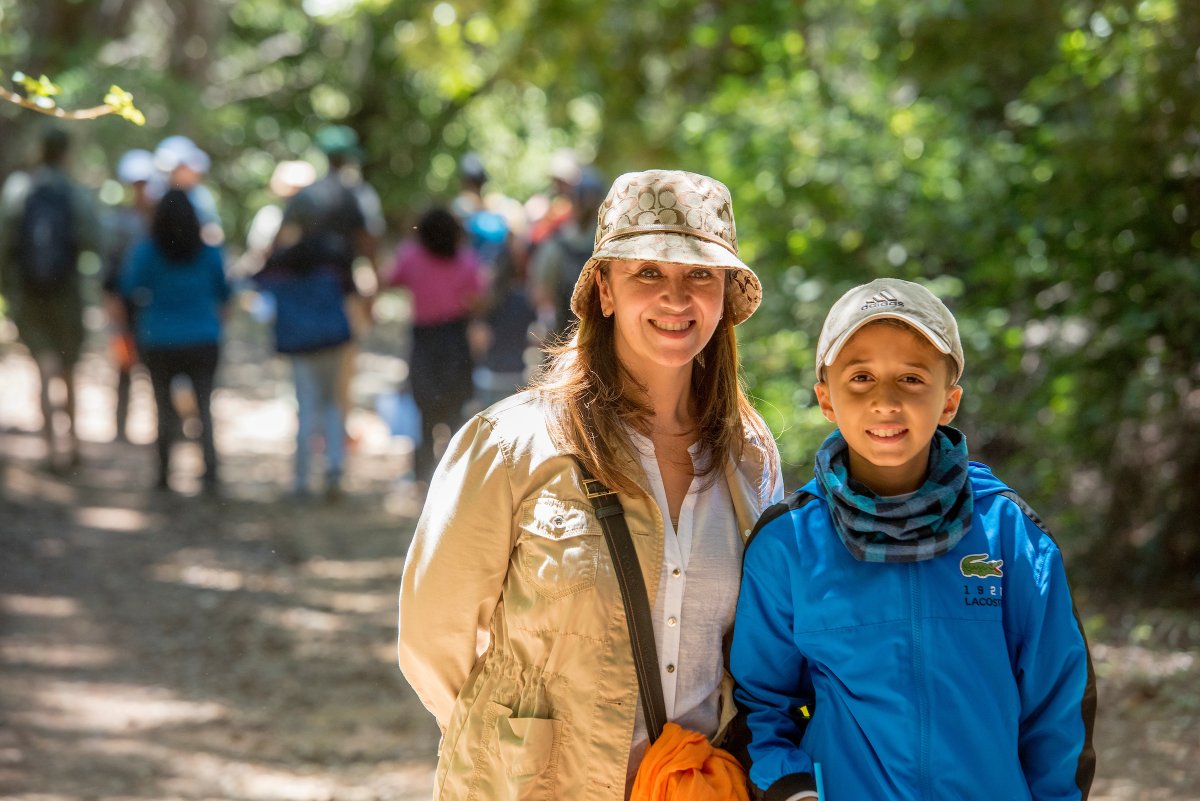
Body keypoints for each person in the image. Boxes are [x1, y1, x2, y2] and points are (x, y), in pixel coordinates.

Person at [398, 170, 782, 800]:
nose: (675, 298)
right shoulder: (512, 445)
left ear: (724, 294)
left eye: (699, 276)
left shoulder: (749, 456)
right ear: (604, 289)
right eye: (648, 274)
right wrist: (517, 744)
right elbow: (431, 640)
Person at [730, 278, 1096, 800]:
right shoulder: (789, 544)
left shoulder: (1008, 534)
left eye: (911, 378)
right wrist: (791, 789)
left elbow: (1057, 701)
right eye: (860, 377)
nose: (885, 401)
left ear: (948, 402)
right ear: (825, 399)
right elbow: (761, 704)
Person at [0, 126, 99, 470]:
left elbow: (4, 242)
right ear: (67, 152)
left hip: (28, 292)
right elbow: (93, 240)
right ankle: (71, 447)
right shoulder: (75, 192)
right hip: (66, 290)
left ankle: (47, 448)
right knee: (69, 369)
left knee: (43, 368)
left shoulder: (18, 188)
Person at [119, 189, 230, 494]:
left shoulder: (147, 251)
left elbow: (129, 288)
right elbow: (225, 293)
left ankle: (164, 475)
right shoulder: (209, 252)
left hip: (159, 340)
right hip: (203, 338)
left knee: (164, 408)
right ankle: (210, 474)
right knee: (203, 407)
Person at [383, 206, 485, 481]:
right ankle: (455, 473)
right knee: (455, 406)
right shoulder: (466, 260)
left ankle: (423, 473)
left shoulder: (412, 256)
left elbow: (389, 279)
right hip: (454, 335)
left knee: (425, 407)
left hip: (424, 337)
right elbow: (477, 298)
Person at [101, 148, 156, 442]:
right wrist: (112, 304)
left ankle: (168, 429)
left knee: (160, 366)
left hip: (156, 306)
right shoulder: (118, 220)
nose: (141, 188)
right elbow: (109, 268)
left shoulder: (164, 218)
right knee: (124, 366)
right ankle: (121, 429)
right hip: (126, 303)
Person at [529, 166, 607, 342]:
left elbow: (541, 294)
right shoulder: (558, 245)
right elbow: (542, 295)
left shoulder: (556, 244)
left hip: (571, 336)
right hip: (575, 335)